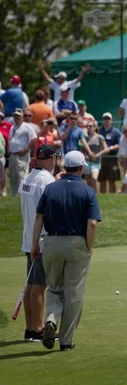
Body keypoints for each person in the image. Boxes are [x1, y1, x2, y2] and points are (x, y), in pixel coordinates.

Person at [31, 150, 101, 351]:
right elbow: (93, 223)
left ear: (64, 167)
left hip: (51, 243)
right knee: (74, 293)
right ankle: (66, 341)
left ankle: (51, 319)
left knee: (53, 287)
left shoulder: (51, 188)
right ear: (81, 168)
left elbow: (39, 218)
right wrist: (89, 246)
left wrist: (35, 245)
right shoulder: (88, 191)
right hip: (77, 244)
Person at [19, 145, 60, 342]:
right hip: (41, 240)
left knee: (30, 285)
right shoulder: (47, 180)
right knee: (39, 285)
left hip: (29, 238)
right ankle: (37, 329)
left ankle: (30, 328)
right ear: (51, 159)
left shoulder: (28, 177)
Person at [8, 109, 37, 195]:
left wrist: (26, 149)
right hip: (13, 155)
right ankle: (14, 194)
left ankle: (23, 194)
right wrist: (9, 150)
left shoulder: (27, 126)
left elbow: (34, 138)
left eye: (18, 116)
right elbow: (10, 140)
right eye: (15, 116)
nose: (16, 118)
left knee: (22, 175)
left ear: (22, 117)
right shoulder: (12, 127)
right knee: (13, 176)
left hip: (22, 155)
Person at [83, 120, 109, 192]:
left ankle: (96, 195)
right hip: (87, 162)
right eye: (87, 126)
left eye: (90, 126)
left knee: (94, 178)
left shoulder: (99, 137)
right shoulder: (85, 138)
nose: (88, 127)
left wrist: (97, 155)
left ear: (95, 127)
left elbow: (106, 149)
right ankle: (90, 196)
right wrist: (85, 156)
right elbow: (82, 150)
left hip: (96, 162)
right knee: (88, 182)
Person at [98, 113, 121, 194]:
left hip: (112, 158)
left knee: (112, 179)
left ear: (111, 120)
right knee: (102, 179)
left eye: (108, 118)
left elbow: (119, 144)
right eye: (105, 118)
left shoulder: (116, 132)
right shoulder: (99, 131)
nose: (106, 120)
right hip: (102, 158)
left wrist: (110, 148)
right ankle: (103, 195)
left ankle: (112, 195)